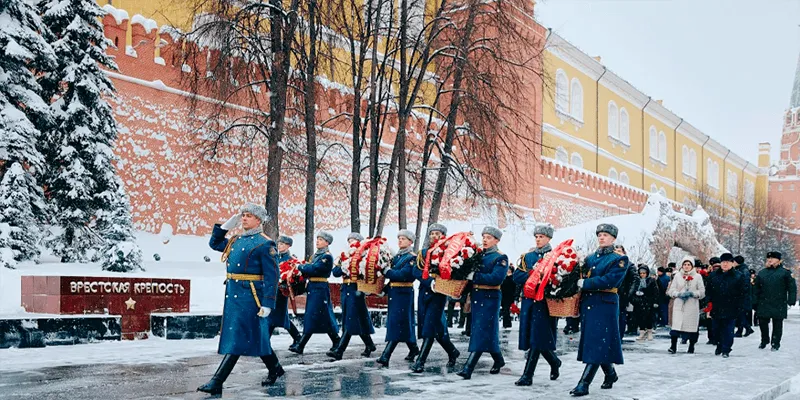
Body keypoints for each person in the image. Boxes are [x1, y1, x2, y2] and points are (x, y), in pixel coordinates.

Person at [199, 204, 283, 396]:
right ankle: (275, 367)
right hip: (234, 295)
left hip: (251, 297)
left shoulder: (265, 244)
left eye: (249, 216)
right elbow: (214, 244)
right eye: (243, 215)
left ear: (258, 220)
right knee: (254, 335)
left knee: (238, 336)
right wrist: (225, 226)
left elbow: (272, 276)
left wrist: (268, 303)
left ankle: (217, 381)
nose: (244, 219)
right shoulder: (236, 240)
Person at [571, 223, 628, 397]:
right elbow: (579, 273)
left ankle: (584, 383)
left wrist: (586, 283)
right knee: (597, 341)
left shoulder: (619, 259)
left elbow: (610, 281)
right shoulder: (589, 258)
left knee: (597, 341)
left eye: (605, 235)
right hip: (589, 303)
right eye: (600, 235)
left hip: (605, 303)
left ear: (613, 238)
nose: (602, 237)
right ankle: (610, 374)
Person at [512, 224, 562, 386]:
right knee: (536, 337)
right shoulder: (528, 256)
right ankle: (554, 361)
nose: (538, 239)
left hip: (545, 302)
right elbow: (516, 276)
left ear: (549, 238)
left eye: (542, 237)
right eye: (537, 236)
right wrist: (531, 273)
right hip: (529, 301)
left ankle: (528, 375)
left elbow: (561, 279)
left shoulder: (556, 256)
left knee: (537, 337)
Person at [456, 226, 509, 379]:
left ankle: (468, 368)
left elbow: (496, 278)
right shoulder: (478, 255)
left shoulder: (500, 257)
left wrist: (475, 276)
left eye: (489, 237)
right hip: (477, 296)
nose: (485, 240)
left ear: (497, 240)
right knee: (485, 330)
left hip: (490, 297)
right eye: (484, 236)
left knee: (480, 330)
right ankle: (498, 360)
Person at [411, 224, 461, 373]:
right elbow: (416, 270)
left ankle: (421, 361)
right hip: (425, 292)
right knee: (436, 328)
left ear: (443, 235)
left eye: (437, 233)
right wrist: (429, 282)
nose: (434, 236)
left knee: (429, 327)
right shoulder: (424, 252)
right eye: (432, 233)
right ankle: (452, 351)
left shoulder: (449, 253)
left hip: (439, 294)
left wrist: (441, 283)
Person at [288, 232, 341, 354]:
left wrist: (301, 267)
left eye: (321, 239)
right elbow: (310, 268)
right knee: (321, 316)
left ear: (327, 243)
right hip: (314, 288)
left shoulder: (327, 256)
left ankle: (301, 345)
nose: (317, 241)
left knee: (314, 315)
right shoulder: (315, 256)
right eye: (317, 239)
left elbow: (315, 269)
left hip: (320, 288)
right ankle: (336, 340)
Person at [328, 232, 376, 360]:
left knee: (351, 319)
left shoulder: (363, 256)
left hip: (356, 290)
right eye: (349, 240)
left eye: (354, 240)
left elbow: (365, 271)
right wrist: (344, 265)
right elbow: (336, 272)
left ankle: (340, 350)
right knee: (356, 319)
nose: (351, 242)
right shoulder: (344, 256)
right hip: (346, 289)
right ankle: (369, 344)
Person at [376, 230, 420, 366]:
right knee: (402, 323)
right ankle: (413, 349)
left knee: (397, 323)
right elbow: (393, 280)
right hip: (395, 293)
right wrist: (385, 290)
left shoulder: (412, 258)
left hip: (404, 293)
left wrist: (387, 271)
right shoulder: (397, 257)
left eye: (403, 239)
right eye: (399, 238)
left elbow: (403, 275)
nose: (400, 241)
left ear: (410, 242)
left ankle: (386, 355)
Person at [706, 253, 748, 358]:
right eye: (723, 262)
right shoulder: (714, 275)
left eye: (728, 262)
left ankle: (726, 349)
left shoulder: (738, 276)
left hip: (731, 307)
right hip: (716, 306)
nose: (725, 264)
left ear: (732, 263)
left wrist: (740, 307)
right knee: (716, 329)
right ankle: (719, 345)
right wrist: (708, 303)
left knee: (728, 330)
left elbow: (743, 293)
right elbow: (708, 291)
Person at [753, 251, 797, 351]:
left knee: (777, 324)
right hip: (763, 302)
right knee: (763, 323)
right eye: (768, 258)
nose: (770, 260)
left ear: (779, 260)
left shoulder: (785, 273)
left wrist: (791, 300)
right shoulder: (762, 272)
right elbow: (756, 288)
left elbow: (791, 287)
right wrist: (754, 301)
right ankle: (765, 340)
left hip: (779, 301)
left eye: (773, 258)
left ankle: (775, 343)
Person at [667, 256, 705, 354]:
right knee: (676, 327)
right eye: (685, 264)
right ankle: (673, 346)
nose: (686, 266)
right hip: (679, 305)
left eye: (688, 265)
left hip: (691, 305)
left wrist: (693, 293)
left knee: (691, 327)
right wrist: (678, 294)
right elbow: (671, 290)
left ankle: (691, 346)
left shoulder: (697, 276)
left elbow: (702, 292)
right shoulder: (677, 276)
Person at [272, 235, 302, 348]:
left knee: (275, 317)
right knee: (280, 318)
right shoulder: (275, 257)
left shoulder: (290, 260)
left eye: (282, 244)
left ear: (288, 246)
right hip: (273, 291)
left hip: (281, 292)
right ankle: (298, 338)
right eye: (279, 243)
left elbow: (291, 277)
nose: (279, 246)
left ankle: (263, 343)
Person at [615, 246, 638, 340]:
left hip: (623, 295)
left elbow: (635, 280)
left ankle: (619, 336)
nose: (617, 253)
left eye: (619, 251)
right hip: (611, 293)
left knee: (621, 316)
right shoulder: (611, 264)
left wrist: (629, 294)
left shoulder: (629, 265)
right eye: (616, 251)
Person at [631, 265, 658, 341]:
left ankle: (649, 331)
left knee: (649, 317)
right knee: (640, 318)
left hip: (648, 302)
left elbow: (655, 292)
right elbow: (632, 291)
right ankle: (642, 332)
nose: (642, 275)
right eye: (641, 273)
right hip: (639, 302)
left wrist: (655, 301)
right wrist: (635, 298)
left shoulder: (651, 281)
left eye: (644, 273)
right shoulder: (636, 281)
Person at [733, 256, 755, 337]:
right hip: (741, 296)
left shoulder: (743, 271)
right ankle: (745, 329)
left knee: (740, 314)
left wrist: (740, 292)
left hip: (742, 297)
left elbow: (745, 284)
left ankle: (743, 329)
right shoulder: (741, 269)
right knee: (740, 314)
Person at [703, 257, 721, 345]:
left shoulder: (710, 274)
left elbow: (707, 288)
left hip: (711, 300)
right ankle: (716, 337)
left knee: (710, 320)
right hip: (718, 300)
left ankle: (712, 337)